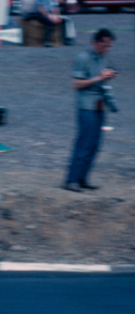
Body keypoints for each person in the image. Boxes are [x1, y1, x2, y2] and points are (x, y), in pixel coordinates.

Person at [63, 29, 117, 193]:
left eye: (109, 46)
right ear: (97, 42)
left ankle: (82, 178)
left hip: (98, 106)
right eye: (106, 46)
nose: (107, 49)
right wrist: (99, 78)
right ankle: (71, 180)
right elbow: (76, 84)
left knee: (94, 145)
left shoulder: (101, 58)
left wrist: (106, 77)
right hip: (86, 107)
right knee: (84, 144)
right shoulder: (83, 58)